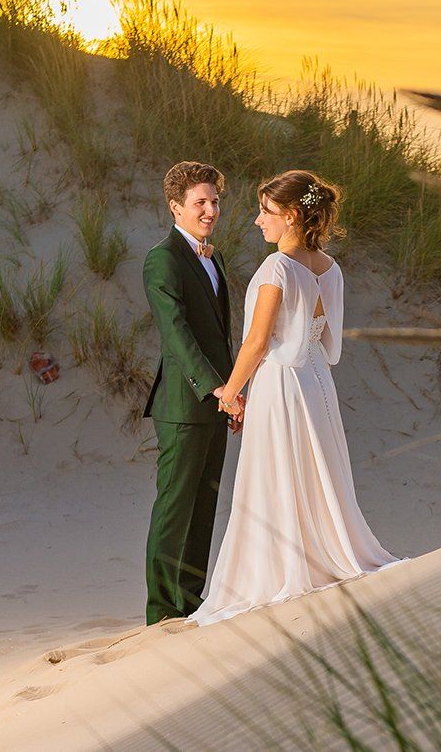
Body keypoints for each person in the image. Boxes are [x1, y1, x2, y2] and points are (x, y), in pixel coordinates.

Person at [189, 170, 400, 626]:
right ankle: (319, 557)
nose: (256, 220)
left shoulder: (278, 267)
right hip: (317, 380)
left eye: (264, 211)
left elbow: (258, 343)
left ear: (289, 215)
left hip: (281, 384)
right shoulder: (329, 267)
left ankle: (284, 569)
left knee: (278, 471)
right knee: (313, 469)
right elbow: (328, 345)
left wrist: (230, 390)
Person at [140, 161, 239, 625]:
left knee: (204, 509)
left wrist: (233, 391)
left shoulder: (211, 256)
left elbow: (221, 335)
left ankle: (190, 604)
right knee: (174, 510)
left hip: (218, 403)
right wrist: (216, 386)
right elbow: (176, 334)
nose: (210, 210)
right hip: (184, 405)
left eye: (214, 201)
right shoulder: (163, 259)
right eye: (200, 202)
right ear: (176, 206)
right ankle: (161, 613)